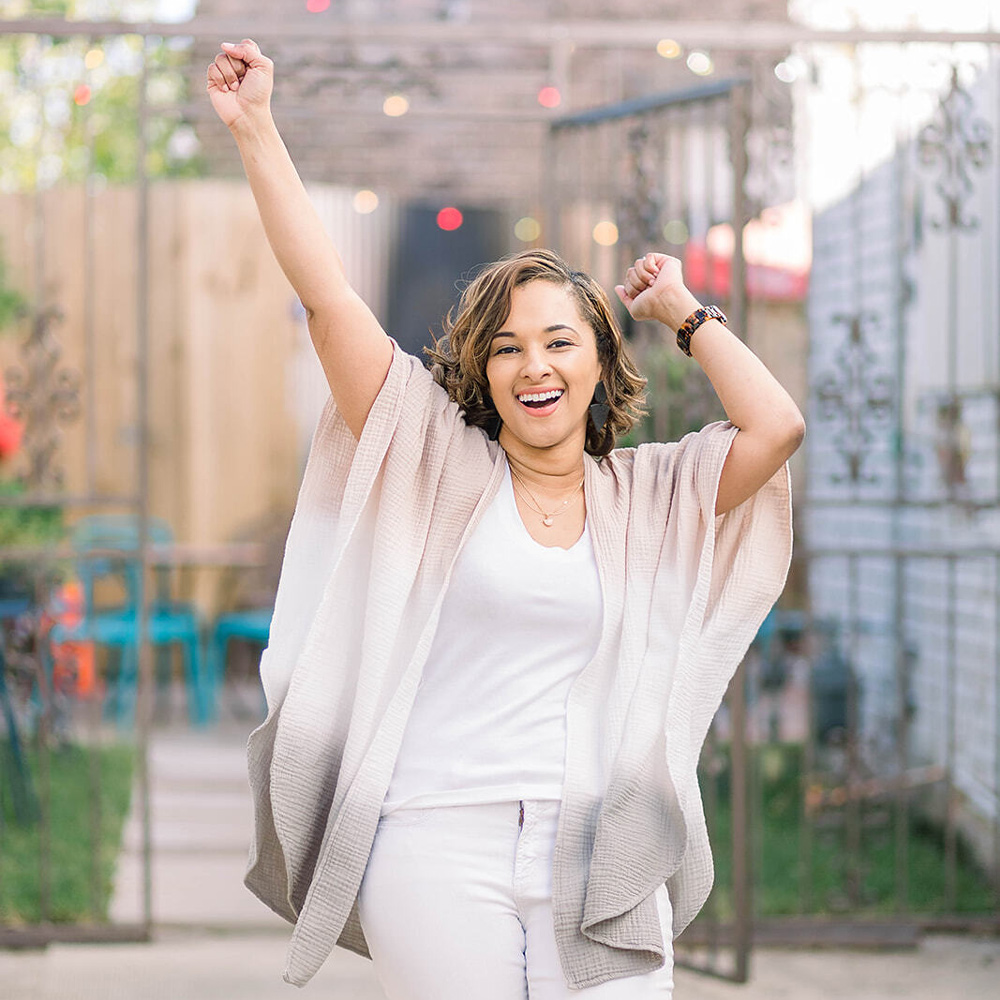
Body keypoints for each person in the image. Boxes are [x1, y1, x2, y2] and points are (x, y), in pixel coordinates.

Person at [208, 39, 802, 999]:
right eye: (508, 348)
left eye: (561, 341)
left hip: (603, 845)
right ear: (480, 372)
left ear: (600, 365)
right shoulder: (438, 464)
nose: (536, 366)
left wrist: (685, 311)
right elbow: (327, 302)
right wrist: (257, 129)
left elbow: (775, 428)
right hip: (439, 841)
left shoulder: (649, 494)